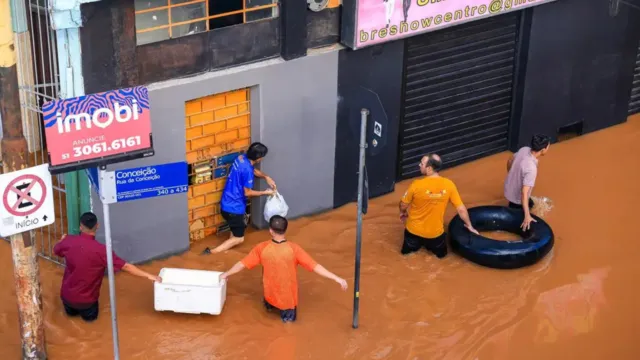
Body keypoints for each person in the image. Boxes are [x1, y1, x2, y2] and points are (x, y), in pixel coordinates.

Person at [220, 215, 348, 323]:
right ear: (285, 230)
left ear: (271, 230)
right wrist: (337, 278)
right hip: (288, 301)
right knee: (288, 330)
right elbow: (315, 267)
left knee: (266, 318)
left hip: (269, 295)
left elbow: (242, 264)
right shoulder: (294, 249)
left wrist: (226, 274)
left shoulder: (261, 248)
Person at [53, 212, 161, 322]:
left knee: (70, 320)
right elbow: (126, 266)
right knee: (90, 324)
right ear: (97, 226)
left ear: (81, 227)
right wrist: (149, 275)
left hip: (67, 298)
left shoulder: (68, 241)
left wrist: (62, 240)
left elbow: (56, 250)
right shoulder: (102, 251)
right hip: (87, 302)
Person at [399, 154, 478, 258]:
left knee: (405, 257)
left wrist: (403, 212)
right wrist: (469, 226)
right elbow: (461, 209)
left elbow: (403, 204)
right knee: (442, 258)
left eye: (422, 164)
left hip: (413, 232)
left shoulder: (416, 185)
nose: (419, 165)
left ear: (429, 168)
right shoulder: (449, 185)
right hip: (435, 235)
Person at [214, 142, 277, 253]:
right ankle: (212, 252)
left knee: (234, 234)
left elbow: (252, 170)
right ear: (258, 158)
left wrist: (266, 177)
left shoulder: (241, 158)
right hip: (234, 209)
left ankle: (226, 251)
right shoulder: (247, 170)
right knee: (239, 238)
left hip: (226, 203)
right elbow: (247, 193)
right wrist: (265, 193)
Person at [504, 134, 551, 231]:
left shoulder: (524, 149)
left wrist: (511, 174)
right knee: (520, 219)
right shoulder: (531, 168)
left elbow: (510, 160)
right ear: (543, 150)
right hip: (517, 199)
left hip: (508, 188)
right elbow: (524, 193)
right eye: (548, 147)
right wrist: (527, 216)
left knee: (531, 204)